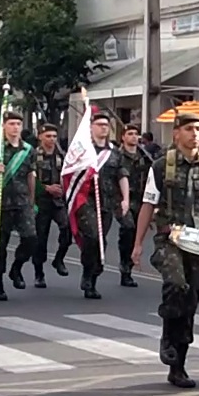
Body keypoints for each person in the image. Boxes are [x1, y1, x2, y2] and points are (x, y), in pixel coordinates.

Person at [134, 112, 199, 389]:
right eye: (189, 129)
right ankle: (167, 339)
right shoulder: (160, 166)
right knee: (176, 284)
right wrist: (137, 244)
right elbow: (147, 205)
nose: (195, 134)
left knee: (190, 301)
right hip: (170, 238)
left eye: (198, 129)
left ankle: (178, 366)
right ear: (176, 133)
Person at [70, 113, 129, 299]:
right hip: (86, 200)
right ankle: (88, 274)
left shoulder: (115, 152)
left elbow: (122, 175)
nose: (104, 128)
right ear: (91, 128)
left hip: (106, 202)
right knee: (93, 236)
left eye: (106, 125)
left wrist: (125, 198)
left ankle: (92, 277)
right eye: (100, 124)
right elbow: (70, 173)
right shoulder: (83, 151)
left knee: (101, 241)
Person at [0, 113, 37, 301]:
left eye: (18, 124)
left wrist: (32, 199)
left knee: (31, 238)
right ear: (4, 126)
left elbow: (31, 174)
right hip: (0, 202)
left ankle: (17, 268)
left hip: (22, 201)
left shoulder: (28, 150)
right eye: (11, 124)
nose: (15, 127)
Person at [29, 123, 70, 289]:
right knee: (40, 239)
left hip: (58, 201)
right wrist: (46, 188)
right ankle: (39, 273)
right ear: (40, 137)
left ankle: (59, 259)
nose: (52, 139)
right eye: (48, 136)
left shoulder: (62, 154)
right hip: (41, 201)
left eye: (54, 136)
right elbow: (28, 178)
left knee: (67, 228)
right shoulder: (32, 155)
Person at [112, 122, 152, 288]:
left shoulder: (144, 156)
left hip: (140, 200)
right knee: (127, 228)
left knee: (136, 232)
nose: (133, 137)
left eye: (136, 134)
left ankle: (128, 265)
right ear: (123, 137)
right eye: (130, 134)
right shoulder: (116, 156)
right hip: (121, 199)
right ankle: (125, 268)